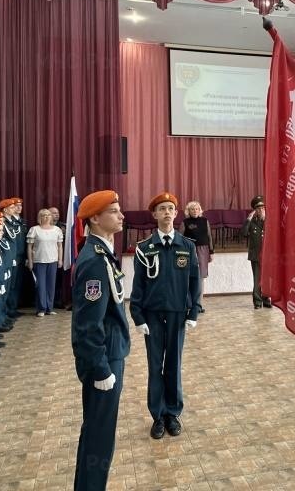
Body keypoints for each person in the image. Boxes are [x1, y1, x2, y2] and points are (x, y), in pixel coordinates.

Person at [71, 190, 130, 491]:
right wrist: (100, 368)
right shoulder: (94, 261)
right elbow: (87, 324)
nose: (122, 216)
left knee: (98, 432)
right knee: (99, 435)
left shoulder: (102, 253)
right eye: (114, 211)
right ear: (94, 218)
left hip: (110, 352)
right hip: (104, 358)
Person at [130, 192, 200, 440]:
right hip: (152, 317)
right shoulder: (144, 249)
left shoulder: (187, 246)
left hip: (178, 316)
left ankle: (173, 413)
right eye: (162, 209)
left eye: (171, 208)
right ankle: (158, 416)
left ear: (176, 213)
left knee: (174, 365)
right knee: (154, 366)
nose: (167, 212)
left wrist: (194, 311)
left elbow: (194, 282)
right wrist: (137, 316)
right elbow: (138, 285)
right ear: (154, 215)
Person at [26, 208, 64, 317]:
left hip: (53, 260)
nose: (46, 217)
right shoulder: (35, 229)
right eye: (43, 215)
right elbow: (29, 247)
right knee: (40, 285)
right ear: (39, 218)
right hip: (39, 261)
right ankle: (41, 309)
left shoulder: (57, 230)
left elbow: (60, 246)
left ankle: (49, 308)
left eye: (48, 215)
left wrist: (60, 259)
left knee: (51, 286)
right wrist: (30, 261)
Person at [179, 200, 213, 313]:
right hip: (189, 251)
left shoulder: (205, 221)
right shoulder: (185, 222)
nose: (195, 211)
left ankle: (198, 305)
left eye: (197, 209)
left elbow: (209, 236)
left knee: (201, 278)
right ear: (188, 211)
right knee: (189, 277)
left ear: (200, 210)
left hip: (203, 251)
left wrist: (211, 252)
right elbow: (180, 238)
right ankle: (189, 304)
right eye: (192, 209)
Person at [242, 195, 271, 309]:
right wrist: (248, 220)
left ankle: (267, 299)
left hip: (268, 256)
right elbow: (244, 233)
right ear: (255, 210)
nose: (261, 210)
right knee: (257, 279)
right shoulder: (252, 222)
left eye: (263, 208)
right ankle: (258, 302)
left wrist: (265, 220)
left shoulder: (270, 220)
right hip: (256, 255)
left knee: (267, 279)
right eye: (258, 209)